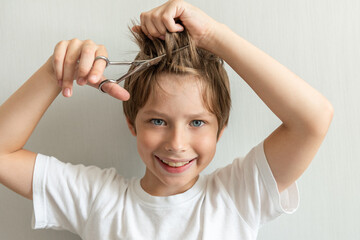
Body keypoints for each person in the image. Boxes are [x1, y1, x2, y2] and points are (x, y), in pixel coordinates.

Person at [0, 0, 333, 239]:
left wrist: (214, 36)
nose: (176, 144)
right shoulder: (97, 199)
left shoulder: (237, 196)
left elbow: (314, 119)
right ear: (132, 122)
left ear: (221, 128)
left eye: (197, 123)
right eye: (157, 121)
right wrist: (54, 71)